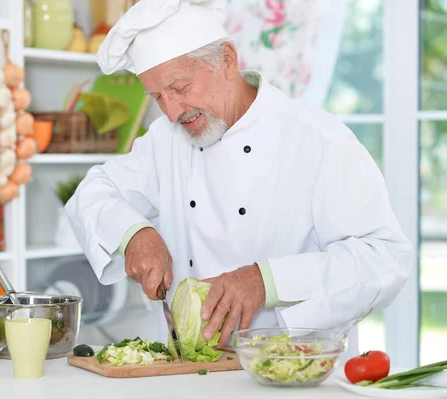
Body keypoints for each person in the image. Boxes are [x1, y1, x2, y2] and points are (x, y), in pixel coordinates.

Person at [64, 0, 412, 353]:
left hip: (295, 371)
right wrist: (135, 233)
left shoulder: (317, 139)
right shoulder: (163, 140)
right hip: (190, 373)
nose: (170, 112)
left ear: (228, 60)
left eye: (180, 87)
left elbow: (385, 259)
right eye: (157, 96)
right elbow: (92, 192)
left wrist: (266, 281)